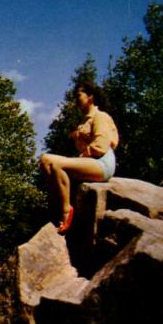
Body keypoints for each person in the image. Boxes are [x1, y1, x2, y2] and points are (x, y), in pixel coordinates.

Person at [40, 81, 119, 234]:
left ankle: (66, 210)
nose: (76, 100)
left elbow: (101, 146)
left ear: (90, 97)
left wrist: (82, 154)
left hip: (103, 163)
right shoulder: (85, 122)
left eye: (78, 96)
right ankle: (55, 207)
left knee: (57, 165)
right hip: (93, 161)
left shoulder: (100, 116)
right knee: (45, 160)